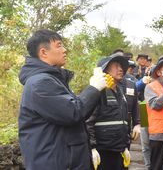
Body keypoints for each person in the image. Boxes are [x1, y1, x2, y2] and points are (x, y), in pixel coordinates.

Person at [18, 29, 110, 170]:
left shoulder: (52, 80)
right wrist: (94, 88)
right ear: (43, 52)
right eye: (59, 45)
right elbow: (73, 112)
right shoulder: (40, 83)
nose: (65, 50)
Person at [86, 54, 132, 170]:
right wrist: (92, 147)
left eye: (121, 66)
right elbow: (88, 121)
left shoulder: (120, 92)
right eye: (116, 66)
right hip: (103, 152)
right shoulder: (98, 91)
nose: (120, 69)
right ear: (105, 69)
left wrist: (126, 145)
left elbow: (125, 120)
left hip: (119, 150)